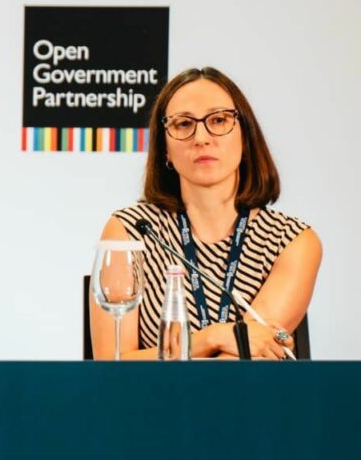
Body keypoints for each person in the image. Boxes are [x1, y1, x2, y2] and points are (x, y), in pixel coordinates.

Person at [90, 67, 321, 360]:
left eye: (219, 120)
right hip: (149, 392)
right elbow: (112, 364)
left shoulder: (291, 242)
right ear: (165, 149)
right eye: (183, 124)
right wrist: (214, 337)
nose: (201, 137)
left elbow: (248, 357)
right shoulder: (130, 232)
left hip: (248, 392)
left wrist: (186, 349)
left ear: (245, 138)